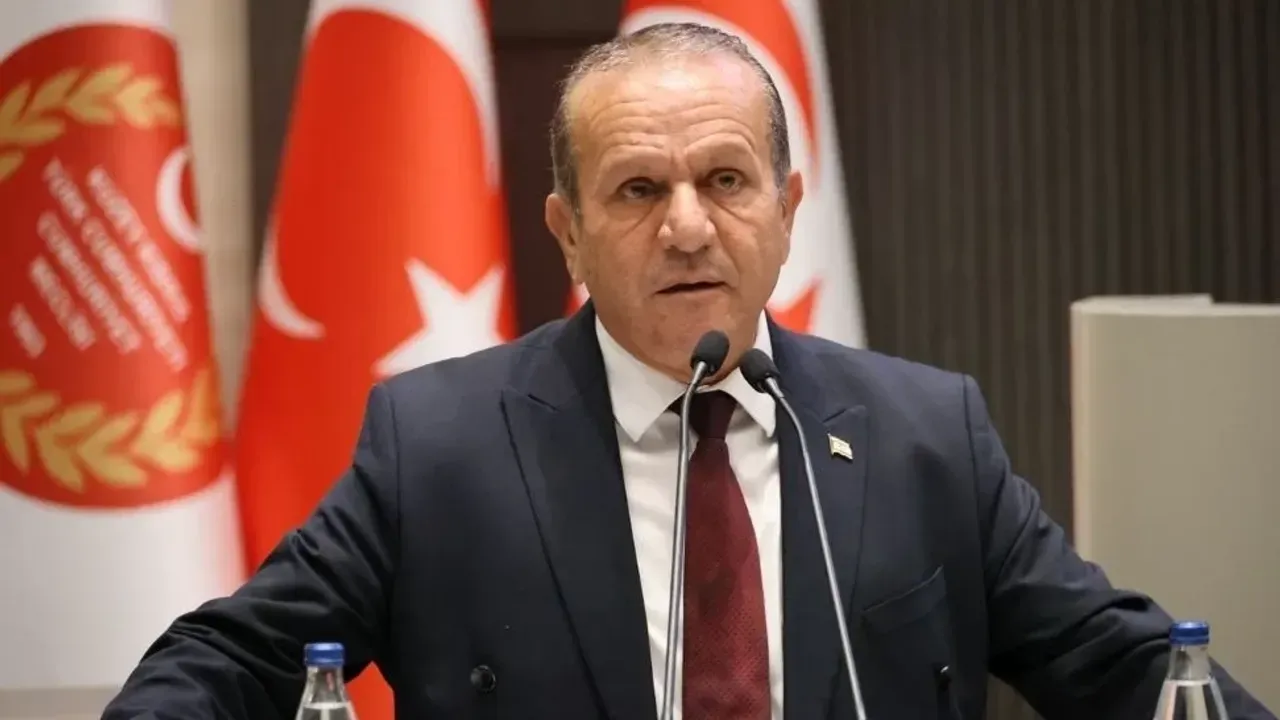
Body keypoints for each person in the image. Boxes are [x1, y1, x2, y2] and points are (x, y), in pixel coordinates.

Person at [103, 22, 1274, 720]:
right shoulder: (441, 446)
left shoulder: (924, 433)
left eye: (723, 181)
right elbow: (225, 662)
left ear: (785, 208)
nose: (685, 227)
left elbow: (1124, 666)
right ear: (566, 234)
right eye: (635, 190)